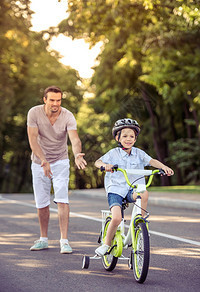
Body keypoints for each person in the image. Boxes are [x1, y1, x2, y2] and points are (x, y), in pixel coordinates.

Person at [94, 118, 174, 256]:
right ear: (117, 137)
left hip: (132, 189)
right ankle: (106, 244)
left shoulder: (139, 153)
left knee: (144, 193)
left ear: (135, 139)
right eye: (125, 136)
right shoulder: (113, 153)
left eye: (132, 136)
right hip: (116, 190)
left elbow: (151, 161)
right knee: (117, 218)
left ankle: (139, 223)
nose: (128, 139)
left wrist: (163, 167)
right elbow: (97, 162)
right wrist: (105, 166)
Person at [27, 86, 87, 254]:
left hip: (60, 161)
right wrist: (44, 160)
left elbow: (74, 139)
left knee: (62, 199)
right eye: (52, 100)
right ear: (45, 99)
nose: (55, 104)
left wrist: (77, 155)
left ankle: (64, 241)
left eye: (58, 100)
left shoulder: (67, 115)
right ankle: (43, 239)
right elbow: (33, 139)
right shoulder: (34, 113)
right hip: (39, 162)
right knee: (42, 202)